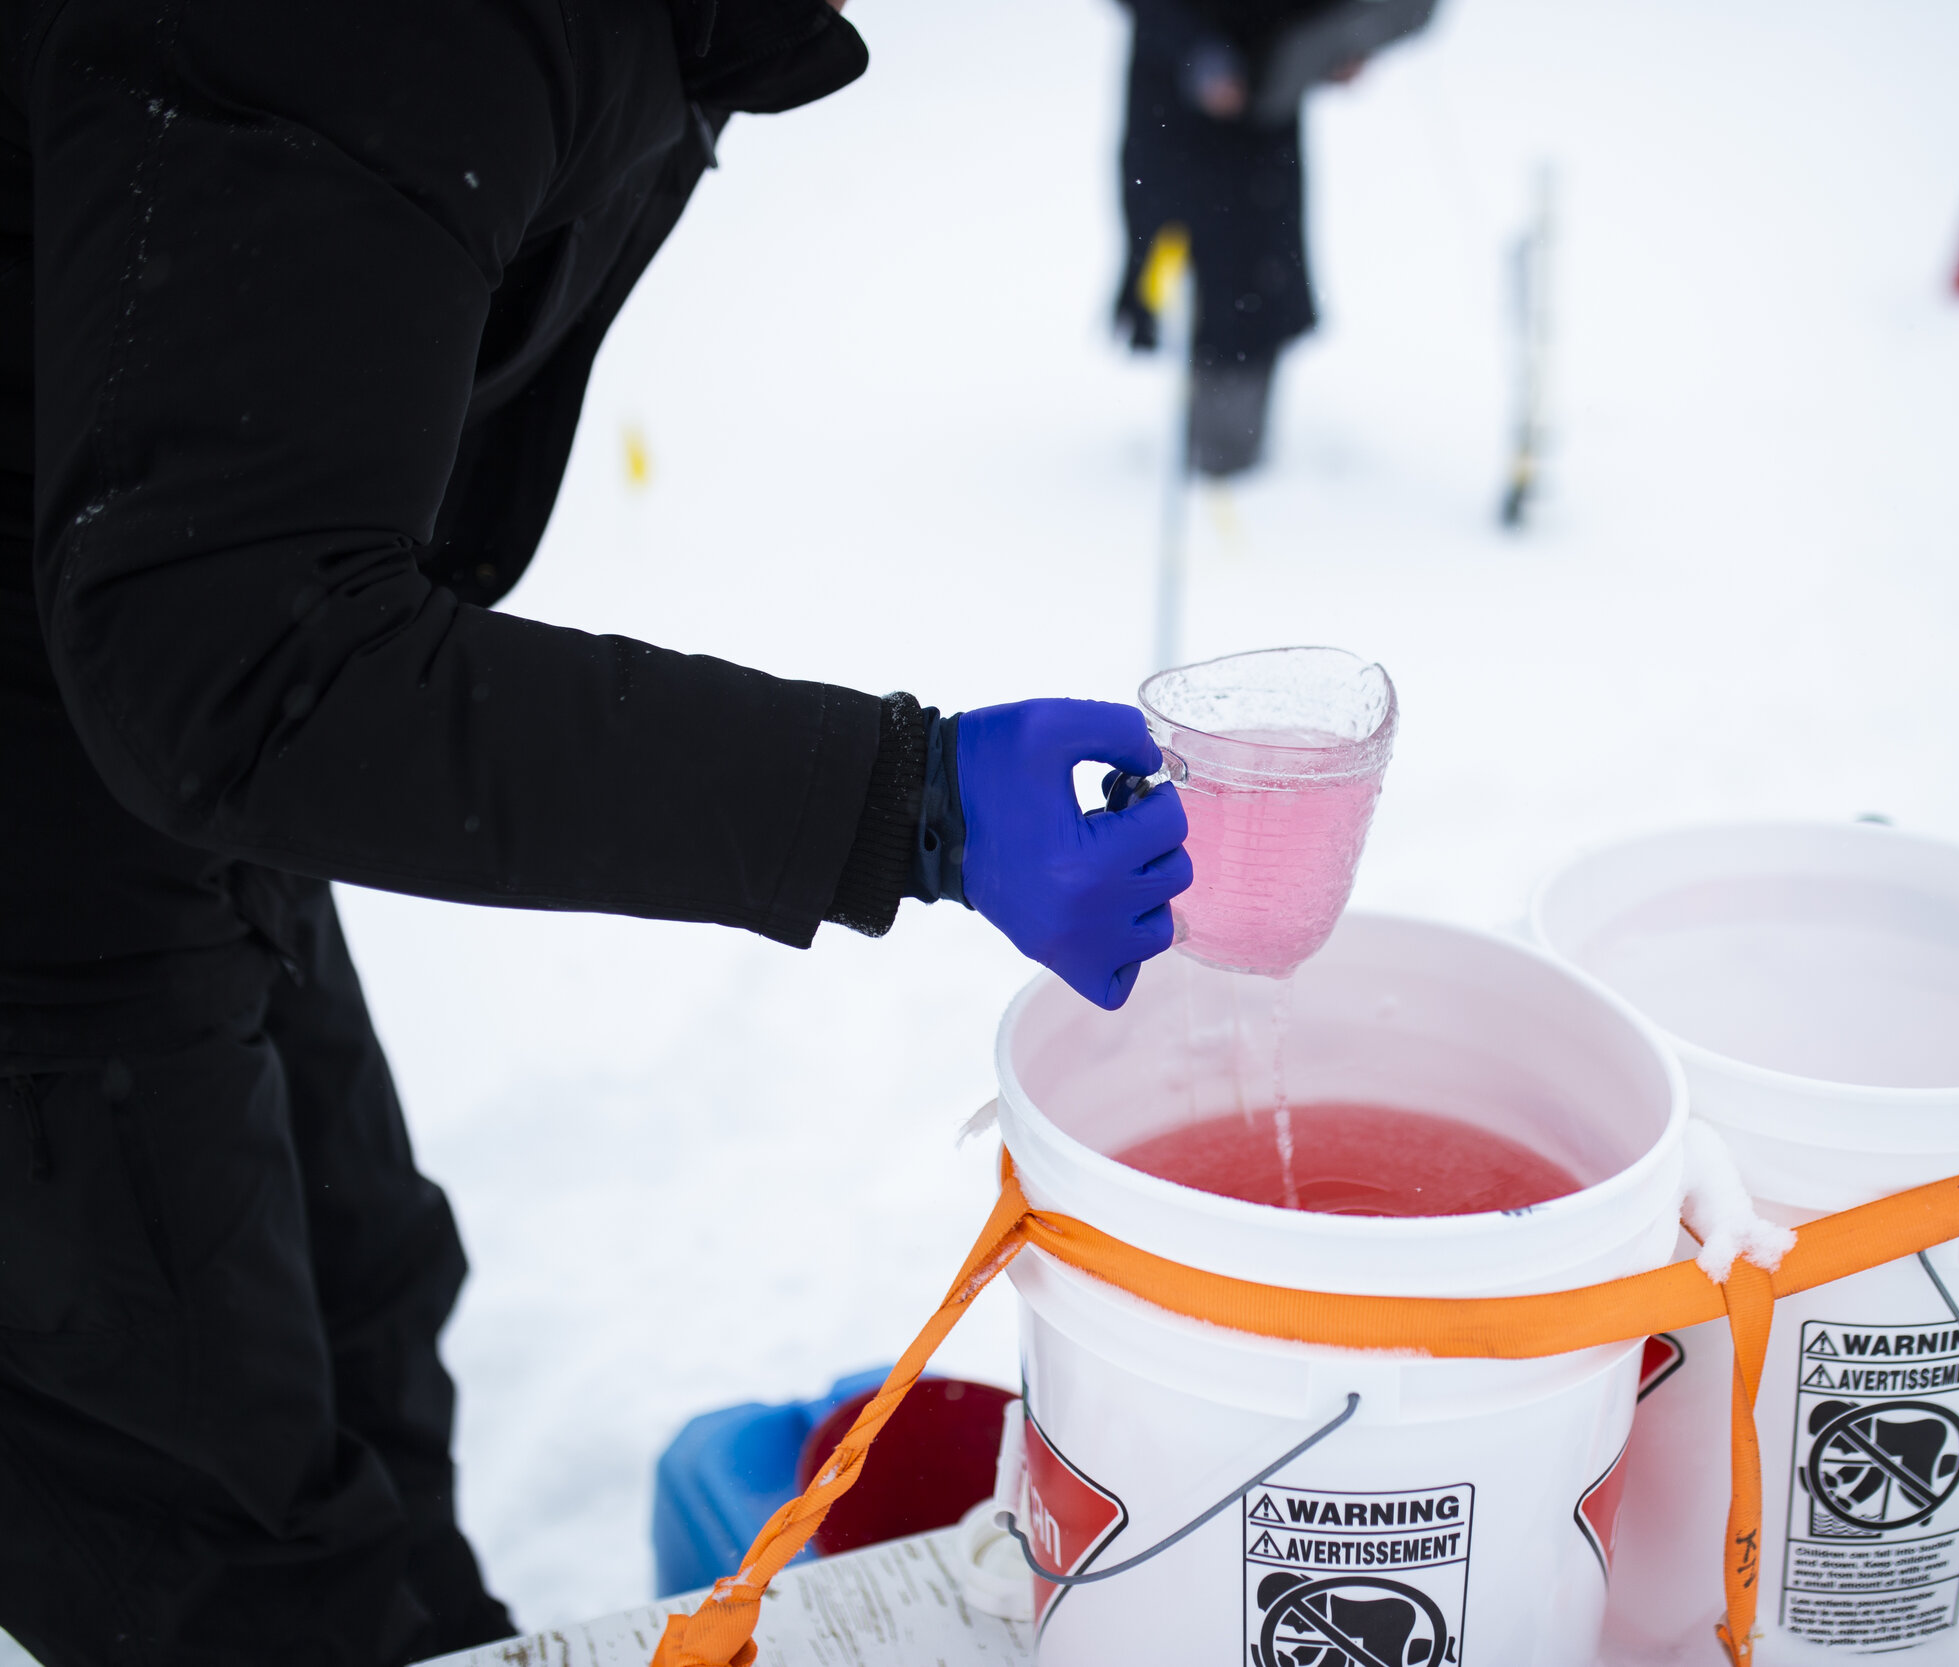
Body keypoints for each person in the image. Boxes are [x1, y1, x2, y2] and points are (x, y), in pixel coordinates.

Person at [0, 2, 1189, 1662]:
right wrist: (905, 801)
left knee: (369, 1305)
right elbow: (234, 652)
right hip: (96, 766)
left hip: (172, 688)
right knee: (222, 1528)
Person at [1112, 0, 1359, 479]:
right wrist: (1197, 52)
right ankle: (1216, 468)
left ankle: (1231, 463)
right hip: (1178, 115)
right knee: (1206, 293)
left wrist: (1336, 40)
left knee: (1258, 287)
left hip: (1268, 99)